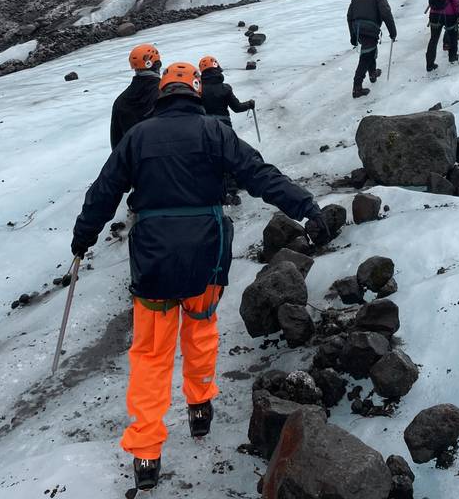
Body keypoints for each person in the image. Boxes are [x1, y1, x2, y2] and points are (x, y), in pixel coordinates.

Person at [71, 62, 330, 493]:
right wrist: (306, 207)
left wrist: (83, 238)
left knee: (151, 355)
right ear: (193, 93)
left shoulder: (137, 137)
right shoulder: (215, 131)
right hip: (206, 258)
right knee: (200, 331)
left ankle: (147, 453)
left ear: (161, 96)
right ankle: (200, 407)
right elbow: (259, 175)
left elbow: (103, 192)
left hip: (153, 262)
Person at [199, 55, 256, 205]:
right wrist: (249, 104)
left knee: (209, 158)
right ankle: (232, 191)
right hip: (224, 127)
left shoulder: (198, 89)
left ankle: (214, 191)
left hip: (204, 126)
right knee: (228, 155)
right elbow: (236, 108)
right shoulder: (225, 88)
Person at [347, 0, 397, 99]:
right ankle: (357, 88)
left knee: (370, 51)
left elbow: (349, 16)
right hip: (370, 30)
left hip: (358, 30)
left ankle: (373, 73)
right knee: (366, 56)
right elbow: (386, 15)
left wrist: (353, 35)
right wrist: (393, 32)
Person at [110, 44, 162, 150]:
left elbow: (116, 143)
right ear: (157, 65)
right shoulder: (165, 93)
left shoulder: (120, 101)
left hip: (134, 160)